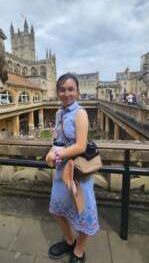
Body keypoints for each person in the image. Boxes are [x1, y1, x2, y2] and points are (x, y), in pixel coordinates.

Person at [46, 73, 99, 263]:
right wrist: (52, 150)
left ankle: (79, 250)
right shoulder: (59, 113)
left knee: (83, 211)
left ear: (77, 91)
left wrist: (56, 155)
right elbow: (59, 141)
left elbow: (81, 146)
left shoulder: (80, 113)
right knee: (56, 209)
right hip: (62, 171)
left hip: (78, 171)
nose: (66, 93)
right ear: (57, 91)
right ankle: (69, 240)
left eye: (70, 89)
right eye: (62, 89)